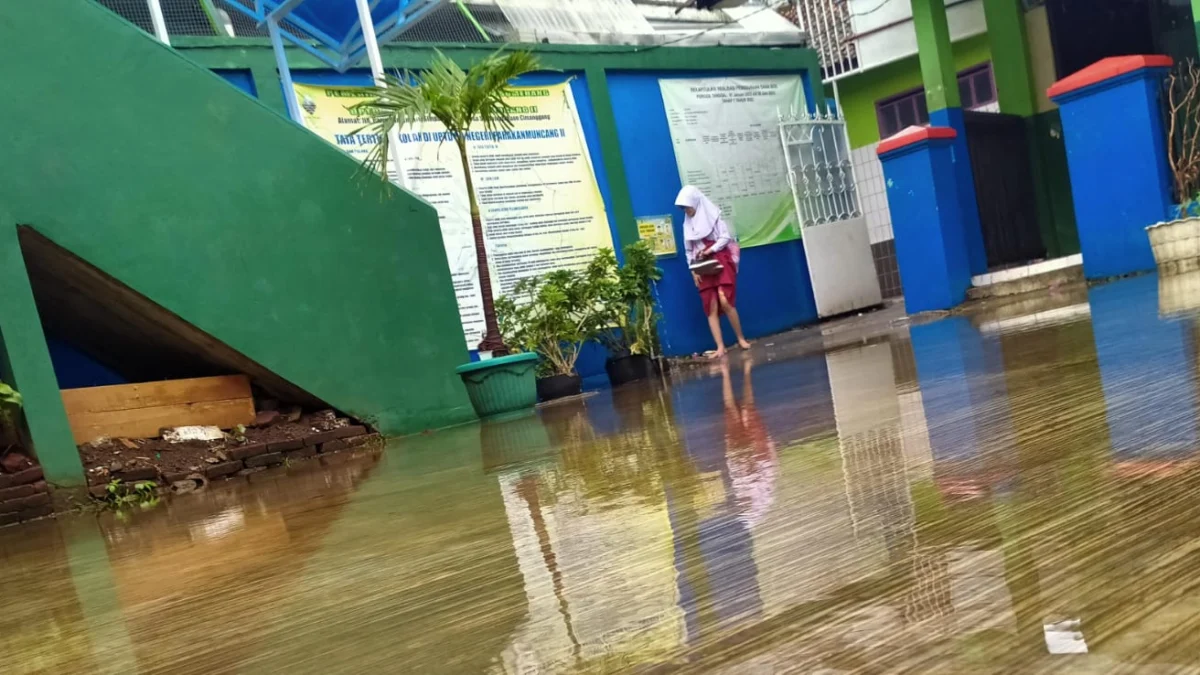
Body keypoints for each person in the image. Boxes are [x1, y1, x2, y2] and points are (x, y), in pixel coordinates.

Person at [676, 186, 752, 358]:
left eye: (688, 206)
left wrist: (711, 250)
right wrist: (693, 270)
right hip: (701, 264)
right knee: (710, 306)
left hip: (719, 259)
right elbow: (689, 250)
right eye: (683, 208)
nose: (686, 211)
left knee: (725, 300)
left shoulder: (714, 216)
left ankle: (741, 338)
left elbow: (725, 237)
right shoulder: (687, 225)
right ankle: (720, 347)